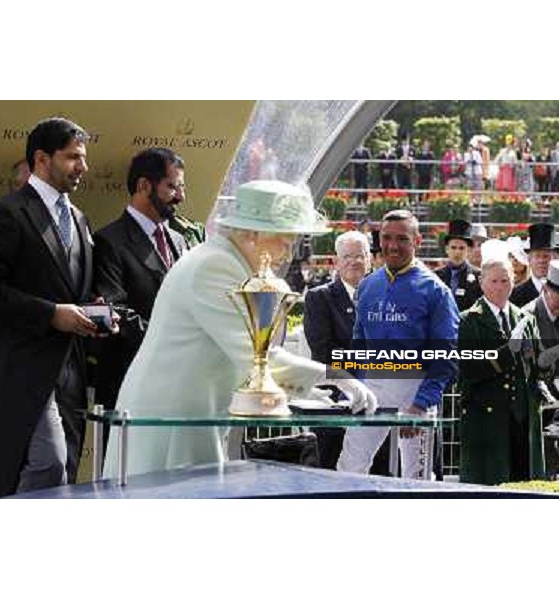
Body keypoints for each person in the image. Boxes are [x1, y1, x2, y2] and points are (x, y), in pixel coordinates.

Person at [103, 180, 378, 478]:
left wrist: (312, 389)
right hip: (172, 421)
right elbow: (255, 356)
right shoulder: (215, 267)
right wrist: (333, 375)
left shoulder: (226, 262)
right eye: (285, 242)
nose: (287, 254)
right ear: (252, 234)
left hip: (187, 415)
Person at [0, 117, 104, 498]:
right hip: (24, 370)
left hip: (70, 373)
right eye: (73, 157)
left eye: (84, 157)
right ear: (42, 159)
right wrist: (49, 314)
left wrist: (94, 311)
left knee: (64, 470)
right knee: (48, 462)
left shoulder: (79, 219)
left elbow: (73, 287)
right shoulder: (6, 213)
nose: (83, 167)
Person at [337, 210, 460, 478]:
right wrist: (349, 387)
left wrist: (422, 402)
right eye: (387, 237)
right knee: (350, 466)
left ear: (417, 241)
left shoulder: (437, 291)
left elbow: (445, 357)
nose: (393, 245)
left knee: (416, 476)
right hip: (372, 385)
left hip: (416, 389)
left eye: (402, 239)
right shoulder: (368, 285)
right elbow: (358, 344)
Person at [93, 148, 187, 427]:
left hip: (175, 387)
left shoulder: (179, 241)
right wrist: (170, 342)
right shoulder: (109, 241)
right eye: (172, 187)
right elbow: (114, 309)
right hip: (129, 384)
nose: (181, 197)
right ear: (144, 186)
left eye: (182, 187)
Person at [458, 245, 558, 485]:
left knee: (523, 484)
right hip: (487, 419)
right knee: (488, 485)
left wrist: (545, 364)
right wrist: (506, 353)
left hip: (523, 415)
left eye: (505, 281)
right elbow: (468, 369)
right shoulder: (469, 320)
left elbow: (534, 371)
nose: (500, 287)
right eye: (494, 281)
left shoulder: (525, 318)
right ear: (482, 282)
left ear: (514, 281)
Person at [304, 231, 371, 468]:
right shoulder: (318, 298)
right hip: (333, 402)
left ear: (370, 259)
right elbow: (324, 353)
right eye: (347, 256)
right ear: (336, 262)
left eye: (360, 256)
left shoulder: (386, 298)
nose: (354, 262)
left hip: (378, 401)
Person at [522, 260, 559, 479]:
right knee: (537, 466)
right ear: (546, 290)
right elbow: (524, 365)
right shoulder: (527, 316)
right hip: (535, 403)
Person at [435, 219, 483, 312]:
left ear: (468, 250)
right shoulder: (436, 277)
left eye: (461, 248)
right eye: (453, 247)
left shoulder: (479, 277)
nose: (457, 252)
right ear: (446, 249)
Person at [511, 223, 556, 307]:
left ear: (553, 259)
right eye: (537, 256)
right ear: (529, 259)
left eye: (546, 256)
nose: (541, 261)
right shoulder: (515, 294)